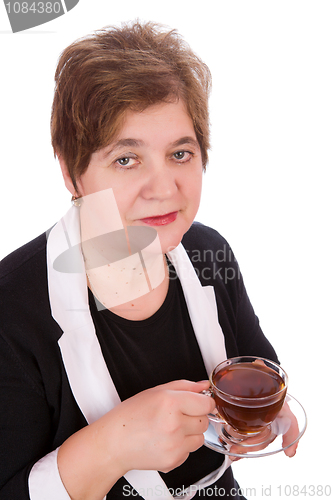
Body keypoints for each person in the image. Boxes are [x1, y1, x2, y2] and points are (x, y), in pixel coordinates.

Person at [0, 21, 298, 500]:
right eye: (126, 159)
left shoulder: (208, 252)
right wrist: (112, 444)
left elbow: (256, 364)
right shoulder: (11, 311)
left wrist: (262, 418)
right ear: (70, 171)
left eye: (180, 153)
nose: (164, 189)